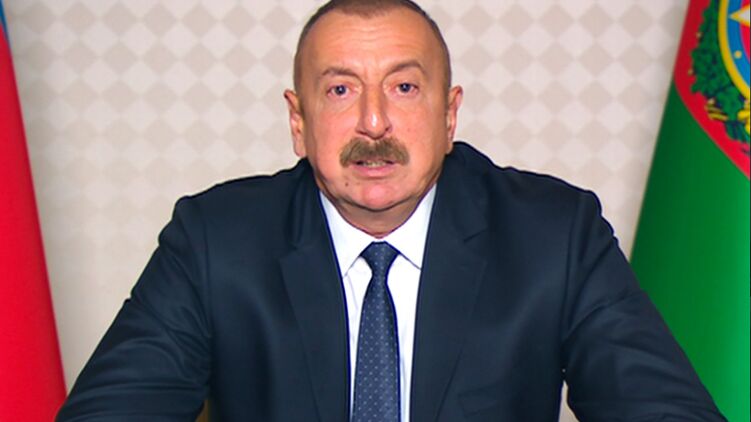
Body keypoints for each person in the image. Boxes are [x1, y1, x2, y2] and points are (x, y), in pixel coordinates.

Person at [57, 0, 725, 421]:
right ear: (298, 121)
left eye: (404, 87)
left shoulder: (553, 236)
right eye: (340, 90)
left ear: (449, 114)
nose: (373, 122)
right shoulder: (215, 242)